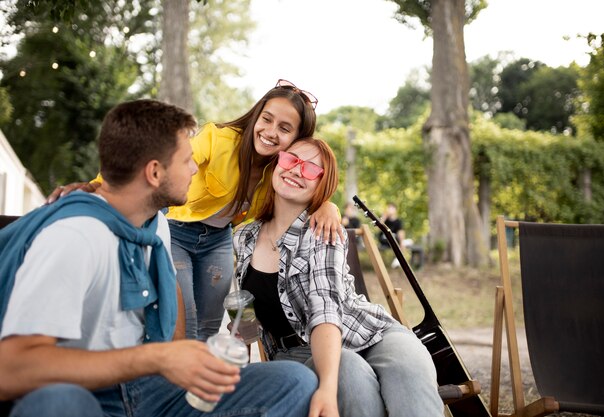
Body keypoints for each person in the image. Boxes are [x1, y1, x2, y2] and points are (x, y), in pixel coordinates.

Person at [0, 99, 317, 417]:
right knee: (57, 404)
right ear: (154, 172)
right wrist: (158, 358)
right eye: (186, 160)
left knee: (294, 381)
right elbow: (9, 370)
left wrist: (179, 357)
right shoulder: (75, 236)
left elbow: (171, 289)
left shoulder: (156, 226)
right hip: (93, 395)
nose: (195, 168)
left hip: (153, 390)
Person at [47, 79, 342, 342]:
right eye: (266, 119)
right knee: (184, 323)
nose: (270, 132)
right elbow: (167, 159)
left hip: (218, 240)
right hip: (177, 232)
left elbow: (308, 189)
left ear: (297, 140)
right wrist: (97, 186)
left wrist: (328, 206)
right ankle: (175, 388)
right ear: (256, 116)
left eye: (285, 128)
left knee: (210, 326)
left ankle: (196, 391)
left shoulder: (280, 173)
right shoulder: (218, 139)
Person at [232, 137, 443, 417]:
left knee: (408, 368)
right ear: (276, 164)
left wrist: (326, 389)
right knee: (348, 370)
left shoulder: (324, 231)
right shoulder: (243, 238)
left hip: (369, 332)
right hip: (298, 355)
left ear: (322, 184)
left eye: (310, 169)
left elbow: (325, 309)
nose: (296, 170)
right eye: (291, 160)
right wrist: (238, 359)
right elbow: (243, 315)